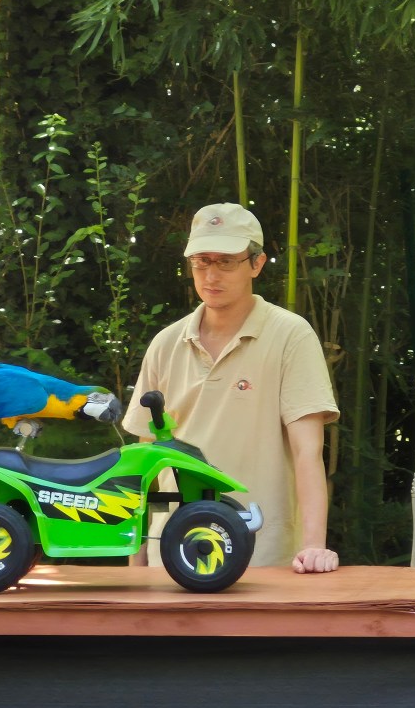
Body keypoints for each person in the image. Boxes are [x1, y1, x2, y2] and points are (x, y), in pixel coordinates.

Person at [122, 202, 340, 574]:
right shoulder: (166, 343)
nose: (211, 274)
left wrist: (314, 547)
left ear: (256, 263)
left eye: (226, 261)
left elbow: (308, 450)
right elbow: (146, 460)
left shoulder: (290, 335)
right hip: (173, 555)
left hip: (262, 557)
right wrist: (136, 554)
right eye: (201, 261)